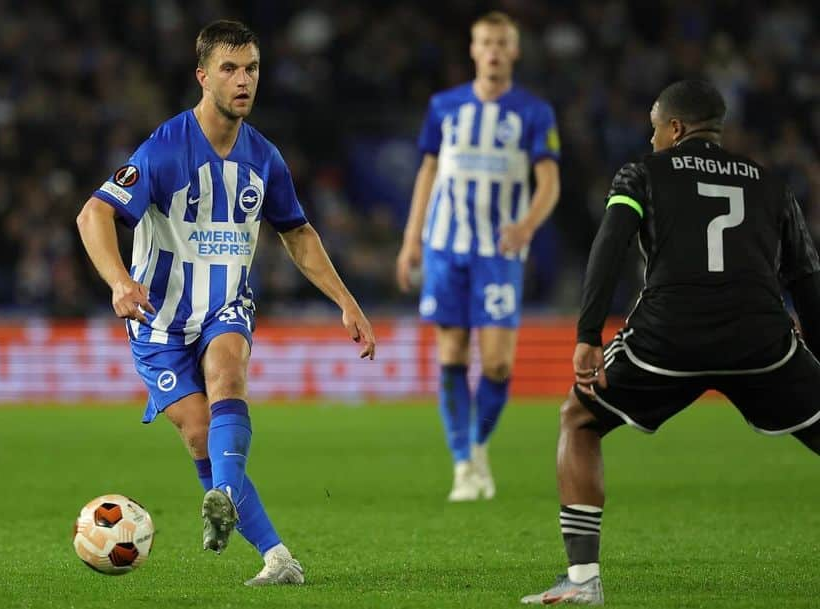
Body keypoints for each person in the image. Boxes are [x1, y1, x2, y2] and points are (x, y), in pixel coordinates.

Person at [76, 20, 376, 586]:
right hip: (158, 318)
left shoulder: (264, 157)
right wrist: (119, 281)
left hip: (225, 305)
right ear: (202, 76)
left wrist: (346, 301)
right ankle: (277, 556)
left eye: (253, 69)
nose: (244, 80)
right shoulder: (165, 148)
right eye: (230, 69)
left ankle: (220, 493)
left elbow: (297, 233)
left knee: (228, 374)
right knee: (197, 434)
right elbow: (93, 214)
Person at [522, 80, 820, 605]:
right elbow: (806, 279)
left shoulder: (643, 172)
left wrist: (589, 335)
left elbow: (609, 243)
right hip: (761, 341)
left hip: (668, 338)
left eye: (655, 128)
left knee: (580, 418)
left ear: (675, 128)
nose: (652, 137)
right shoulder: (773, 185)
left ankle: (583, 580)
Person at [395, 11, 561, 501]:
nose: (492, 50)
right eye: (485, 42)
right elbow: (427, 172)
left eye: (501, 43)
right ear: (473, 49)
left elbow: (549, 181)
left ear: (514, 51)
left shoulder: (533, 112)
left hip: (498, 252)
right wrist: (412, 240)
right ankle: (464, 463)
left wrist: (526, 225)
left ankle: (478, 445)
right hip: (446, 247)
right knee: (450, 353)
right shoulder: (445, 107)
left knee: (496, 366)